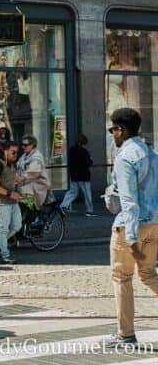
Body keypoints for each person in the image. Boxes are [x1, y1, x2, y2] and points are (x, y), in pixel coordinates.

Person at [102, 108, 158, 347]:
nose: (112, 134)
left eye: (112, 129)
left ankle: (126, 335)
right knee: (148, 275)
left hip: (130, 227)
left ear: (121, 130)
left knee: (122, 277)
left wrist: (132, 238)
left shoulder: (126, 157)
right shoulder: (151, 153)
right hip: (155, 224)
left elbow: (129, 202)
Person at [0, 141, 24, 264]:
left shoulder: (13, 166)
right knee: (3, 229)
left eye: (17, 152)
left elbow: (15, 181)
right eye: (13, 152)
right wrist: (10, 194)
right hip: (1, 202)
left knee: (17, 226)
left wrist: (20, 193)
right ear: (6, 151)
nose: (16, 154)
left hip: (13, 201)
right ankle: (5, 255)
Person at [60, 134, 96, 216]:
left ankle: (63, 205)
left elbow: (70, 163)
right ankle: (89, 210)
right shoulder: (84, 151)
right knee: (87, 193)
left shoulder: (72, 150)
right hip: (83, 176)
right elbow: (89, 163)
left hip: (74, 175)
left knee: (73, 192)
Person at [16, 134, 51, 211]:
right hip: (26, 184)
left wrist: (23, 177)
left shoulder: (36, 157)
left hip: (39, 185)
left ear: (32, 145)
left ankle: (34, 215)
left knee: (26, 197)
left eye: (25, 145)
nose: (23, 147)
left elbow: (33, 172)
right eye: (22, 145)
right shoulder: (24, 156)